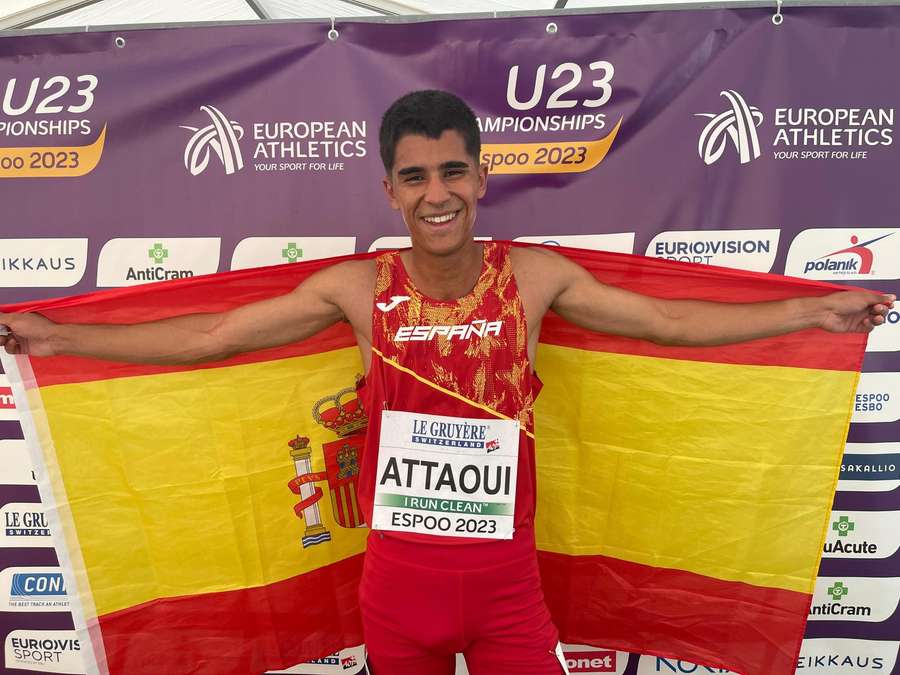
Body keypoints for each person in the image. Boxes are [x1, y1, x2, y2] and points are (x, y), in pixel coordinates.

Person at [0, 90, 893, 675]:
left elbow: (667, 322)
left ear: (481, 175)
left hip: (508, 592)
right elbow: (209, 336)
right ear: (390, 190)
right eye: (416, 176)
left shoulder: (533, 277)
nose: (438, 193)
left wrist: (808, 314)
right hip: (397, 595)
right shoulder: (356, 288)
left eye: (454, 170)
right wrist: (57, 333)